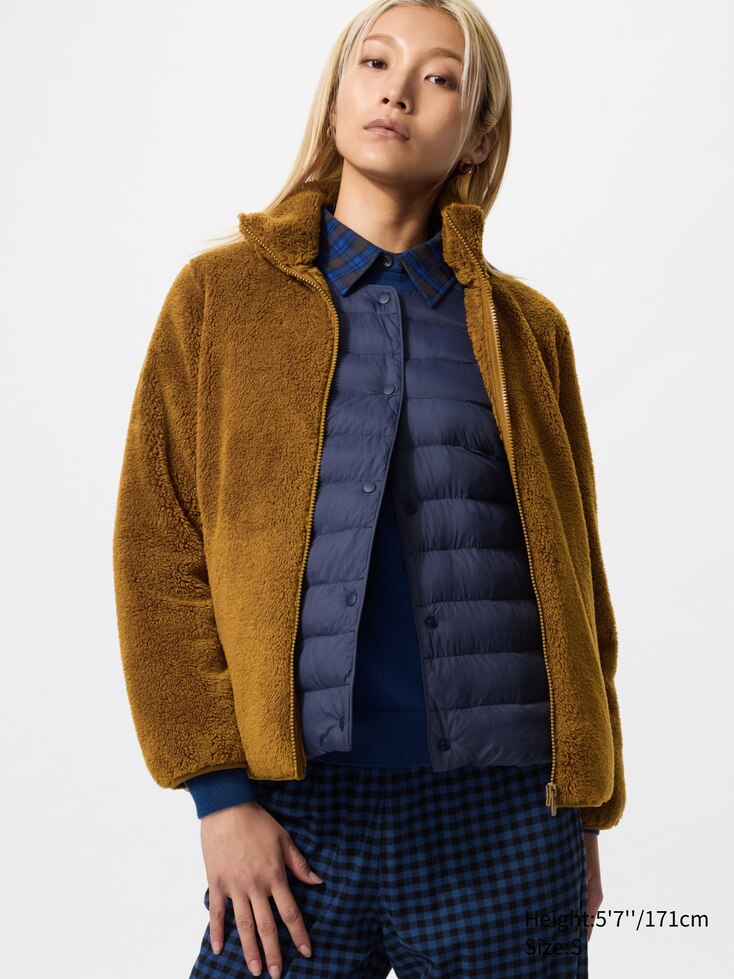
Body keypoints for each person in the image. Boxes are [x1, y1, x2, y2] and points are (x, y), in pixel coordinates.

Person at [112, 1, 626, 976]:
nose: (397, 91)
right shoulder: (217, 300)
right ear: (337, 97)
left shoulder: (527, 330)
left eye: (439, 76)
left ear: (478, 134)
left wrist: (584, 806)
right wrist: (219, 797)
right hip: (289, 806)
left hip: (507, 813)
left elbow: (573, 578)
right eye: (375, 62)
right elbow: (159, 556)